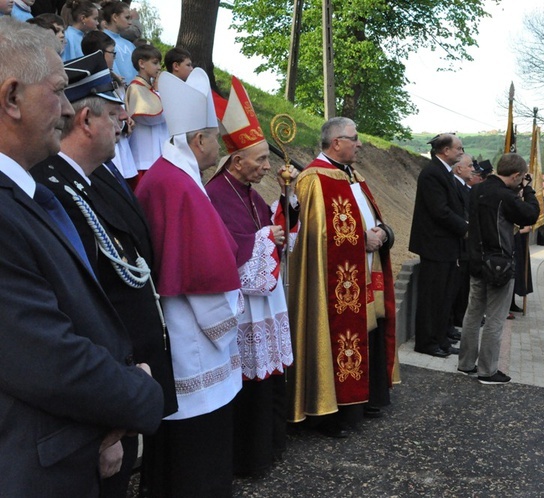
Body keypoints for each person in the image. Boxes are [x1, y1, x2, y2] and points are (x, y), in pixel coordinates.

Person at [0, 18, 163, 496]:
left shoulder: (22, 196)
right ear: (12, 98)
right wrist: (139, 393)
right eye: (59, 91)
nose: (70, 109)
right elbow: (47, 359)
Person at [30, 51, 178, 498]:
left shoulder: (96, 179)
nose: (123, 125)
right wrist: (107, 422)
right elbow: (79, 311)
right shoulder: (53, 191)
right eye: (115, 115)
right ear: (87, 120)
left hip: (128, 381)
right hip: (103, 398)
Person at [134, 67, 242, 498]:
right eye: (215, 138)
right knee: (195, 437)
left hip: (180, 320)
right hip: (187, 328)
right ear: (198, 141)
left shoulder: (172, 174)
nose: (219, 146)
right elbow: (200, 271)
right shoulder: (176, 184)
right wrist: (227, 321)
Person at [205, 76, 297, 478]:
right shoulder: (217, 192)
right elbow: (233, 244)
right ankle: (251, 456)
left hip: (267, 301)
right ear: (236, 160)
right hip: (245, 306)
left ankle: (272, 447)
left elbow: (269, 222)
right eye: (260, 161)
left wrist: (287, 201)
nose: (265, 167)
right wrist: (265, 237)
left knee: (270, 379)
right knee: (251, 384)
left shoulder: (247, 189)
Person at [287, 117, 398, 437]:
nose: (359, 143)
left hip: (366, 271)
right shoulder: (313, 179)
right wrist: (362, 240)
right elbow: (315, 238)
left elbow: (374, 217)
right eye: (355, 137)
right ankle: (333, 413)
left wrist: (383, 233)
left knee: (371, 333)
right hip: (333, 283)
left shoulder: (354, 177)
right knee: (339, 338)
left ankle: (365, 398)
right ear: (336, 142)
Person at [458, 153, 540, 385]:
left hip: (476, 261)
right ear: (515, 175)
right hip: (499, 265)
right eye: (520, 178)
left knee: (473, 314)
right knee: (495, 318)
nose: (521, 181)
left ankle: (465, 364)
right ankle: (487, 371)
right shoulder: (506, 196)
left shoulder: (476, 191)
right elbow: (530, 215)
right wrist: (529, 190)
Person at [409, 132, 467, 357]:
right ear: (445, 151)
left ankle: (441, 338)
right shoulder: (432, 173)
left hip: (447, 247)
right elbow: (440, 211)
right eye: (458, 149)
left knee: (445, 297)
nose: (461, 152)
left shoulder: (444, 172)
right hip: (435, 246)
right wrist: (465, 227)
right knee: (433, 298)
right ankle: (427, 342)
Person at [81, 29, 139, 184]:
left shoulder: (114, 79)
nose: (114, 58)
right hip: (106, 151)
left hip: (121, 149)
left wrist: (127, 119)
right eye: (112, 53)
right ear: (99, 54)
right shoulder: (91, 83)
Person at [125, 43, 168, 176]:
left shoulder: (151, 88)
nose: (159, 67)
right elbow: (152, 117)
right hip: (144, 158)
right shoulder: (135, 88)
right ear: (142, 63)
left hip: (156, 156)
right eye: (155, 63)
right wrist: (159, 92)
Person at [449, 153, 474, 338]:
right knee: (453, 290)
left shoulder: (464, 187)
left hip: (465, 244)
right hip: (457, 243)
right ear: (459, 168)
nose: (473, 169)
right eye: (470, 166)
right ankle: (453, 321)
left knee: (461, 287)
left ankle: (456, 321)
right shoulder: (455, 185)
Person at [100, 1, 137, 85]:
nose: (130, 22)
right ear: (115, 17)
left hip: (133, 92)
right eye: (127, 18)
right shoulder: (100, 40)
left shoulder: (130, 45)